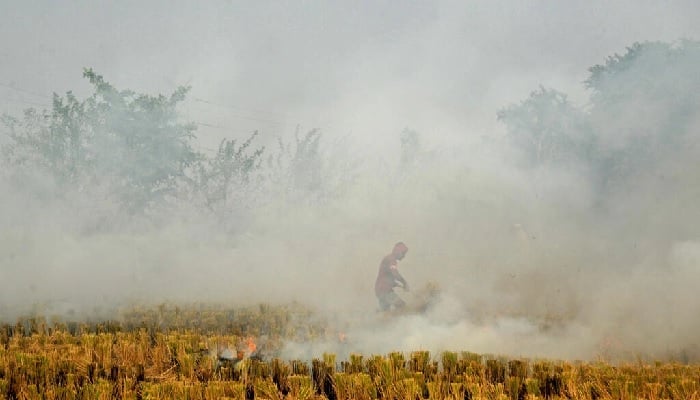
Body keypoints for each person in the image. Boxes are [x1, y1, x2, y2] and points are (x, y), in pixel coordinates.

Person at [374, 242, 410, 311]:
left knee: (385, 313)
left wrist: (398, 285)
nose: (403, 256)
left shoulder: (389, 258)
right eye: (403, 253)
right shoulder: (391, 260)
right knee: (402, 306)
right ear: (398, 252)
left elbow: (387, 277)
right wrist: (404, 282)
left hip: (380, 290)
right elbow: (395, 273)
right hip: (385, 291)